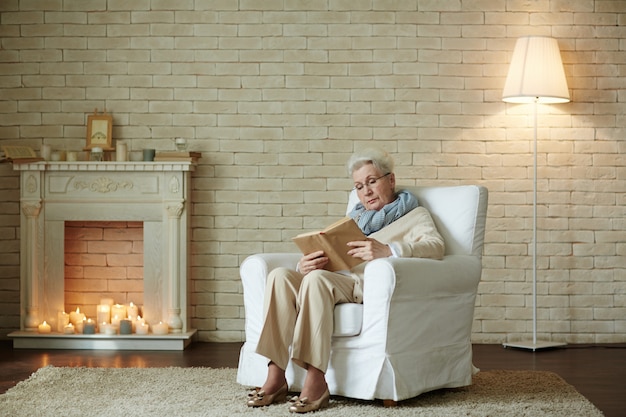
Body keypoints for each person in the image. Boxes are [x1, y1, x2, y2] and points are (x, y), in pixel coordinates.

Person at [246, 147, 445, 413]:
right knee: (280, 276)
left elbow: (436, 246)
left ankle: (316, 379)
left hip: (360, 286)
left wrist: (389, 251)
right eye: (359, 186)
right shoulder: (356, 218)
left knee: (316, 281)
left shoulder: (414, 215)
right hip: (333, 277)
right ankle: (276, 375)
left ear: (391, 180)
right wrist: (304, 264)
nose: (366, 191)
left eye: (372, 181)